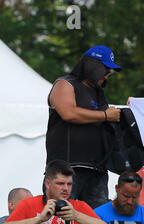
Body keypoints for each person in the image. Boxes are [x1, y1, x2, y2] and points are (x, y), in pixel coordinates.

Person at [46, 45, 122, 209]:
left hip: (97, 171)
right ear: (93, 66)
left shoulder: (98, 92)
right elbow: (69, 113)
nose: (107, 76)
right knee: (60, 222)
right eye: (106, 70)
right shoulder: (65, 84)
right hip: (65, 170)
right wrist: (105, 115)